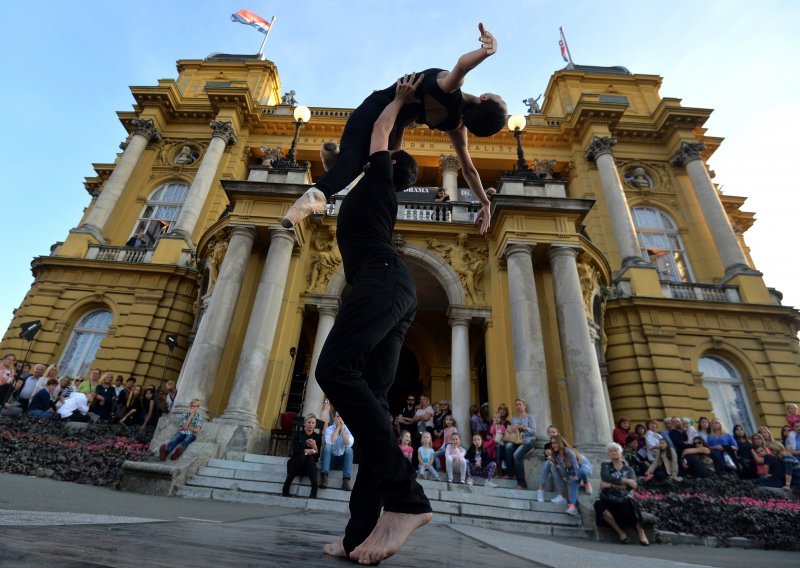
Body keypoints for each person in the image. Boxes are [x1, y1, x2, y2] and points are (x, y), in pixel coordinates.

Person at [315, 74, 432, 565]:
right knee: (374, 417)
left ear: (385, 168)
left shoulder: (379, 180)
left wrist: (402, 101)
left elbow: (380, 138)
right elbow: (335, 155)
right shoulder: (374, 189)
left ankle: (407, 499)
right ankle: (357, 533)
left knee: (332, 370)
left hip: (382, 282)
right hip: (396, 289)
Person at [282, 22, 505, 237]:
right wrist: (485, 203)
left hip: (383, 106)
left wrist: (486, 51)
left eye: (501, 98)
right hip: (395, 124)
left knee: (363, 156)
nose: (500, 95)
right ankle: (328, 178)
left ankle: (333, 171)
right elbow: (469, 170)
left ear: (484, 97)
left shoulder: (450, 88)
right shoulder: (456, 127)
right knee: (374, 160)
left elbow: (462, 65)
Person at [594, 442, 649, 546]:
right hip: (608, 496)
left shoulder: (629, 469)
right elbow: (606, 477)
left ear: (621, 453)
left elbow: (632, 486)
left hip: (623, 497)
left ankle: (642, 534)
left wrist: (611, 485)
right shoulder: (605, 465)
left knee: (633, 507)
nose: (613, 453)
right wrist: (626, 481)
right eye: (610, 451)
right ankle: (621, 533)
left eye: (615, 450)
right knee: (599, 506)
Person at [282, 414, 323, 498]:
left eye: (313, 423)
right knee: (302, 456)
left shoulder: (318, 437)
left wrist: (315, 448)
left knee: (310, 458)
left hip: (309, 467)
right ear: (305, 423)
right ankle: (287, 484)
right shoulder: (298, 434)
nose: (311, 424)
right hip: (296, 464)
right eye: (309, 422)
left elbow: (317, 457)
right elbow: (296, 452)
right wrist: (306, 451)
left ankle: (314, 487)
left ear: (315, 424)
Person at [498, 398, 536, 489]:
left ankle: (522, 483)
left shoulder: (529, 417)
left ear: (524, 406)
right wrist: (513, 429)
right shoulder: (514, 418)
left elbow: (533, 431)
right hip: (517, 440)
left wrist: (523, 428)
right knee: (507, 446)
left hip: (528, 440)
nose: (518, 406)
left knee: (516, 455)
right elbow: (512, 432)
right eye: (516, 404)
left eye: (520, 404)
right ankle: (510, 474)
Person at [320, 410, 355, 491]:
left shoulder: (348, 429)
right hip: (330, 461)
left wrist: (342, 429)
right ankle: (324, 477)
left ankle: (346, 480)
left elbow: (349, 443)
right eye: (338, 416)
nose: (339, 418)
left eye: (341, 416)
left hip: (342, 463)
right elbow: (329, 442)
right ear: (334, 418)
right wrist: (338, 427)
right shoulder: (329, 429)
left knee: (349, 450)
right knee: (327, 447)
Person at [551, 435, 584, 516]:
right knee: (555, 468)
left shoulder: (568, 451)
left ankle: (573, 507)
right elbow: (565, 472)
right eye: (552, 443)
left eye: (555, 443)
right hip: (572, 472)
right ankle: (570, 504)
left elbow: (576, 465)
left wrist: (576, 477)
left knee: (574, 481)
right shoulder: (558, 456)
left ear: (560, 442)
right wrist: (567, 478)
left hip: (581, 467)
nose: (553, 445)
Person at [535, 425, 564, 503]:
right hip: (553, 466)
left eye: (554, 432)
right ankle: (540, 491)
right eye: (550, 432)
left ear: (557, 433)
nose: (552, 434)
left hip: (563, 468)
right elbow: (547, 459)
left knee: (550, 464)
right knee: (549, 464)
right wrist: (551, 457)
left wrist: (552, 457)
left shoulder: (562, 444)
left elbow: (563, 460)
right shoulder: (547, 445)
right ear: (547, 434)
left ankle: (541, 490)